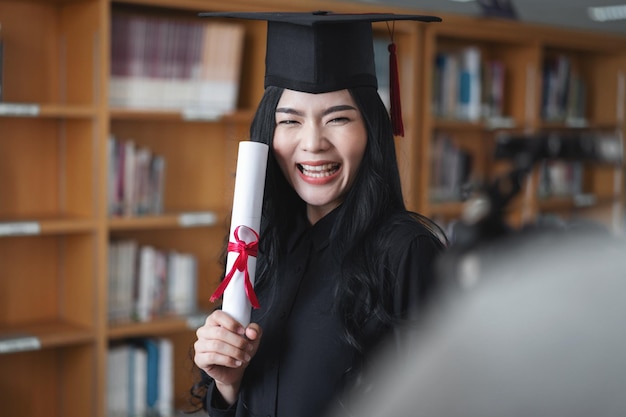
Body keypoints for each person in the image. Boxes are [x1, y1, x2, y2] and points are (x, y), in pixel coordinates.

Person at [191, 11, 445, 417]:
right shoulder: (258, 244)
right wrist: (226, 382)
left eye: (338, 118)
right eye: (289, 120)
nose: (312, 143)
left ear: (371, 129)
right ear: (267, 134)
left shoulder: (407, 255)